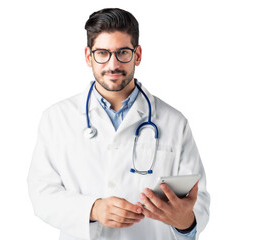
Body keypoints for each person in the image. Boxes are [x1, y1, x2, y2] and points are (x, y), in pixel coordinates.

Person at [27, 8, 210, 240]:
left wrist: (184, 221)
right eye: (102, 53)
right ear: (88, 56)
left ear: (138, 54)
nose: (113, 64)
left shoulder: (174, 122)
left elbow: (198, 197)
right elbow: (41, 193)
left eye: (123, 52)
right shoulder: (57, 118)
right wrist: (93, 209)